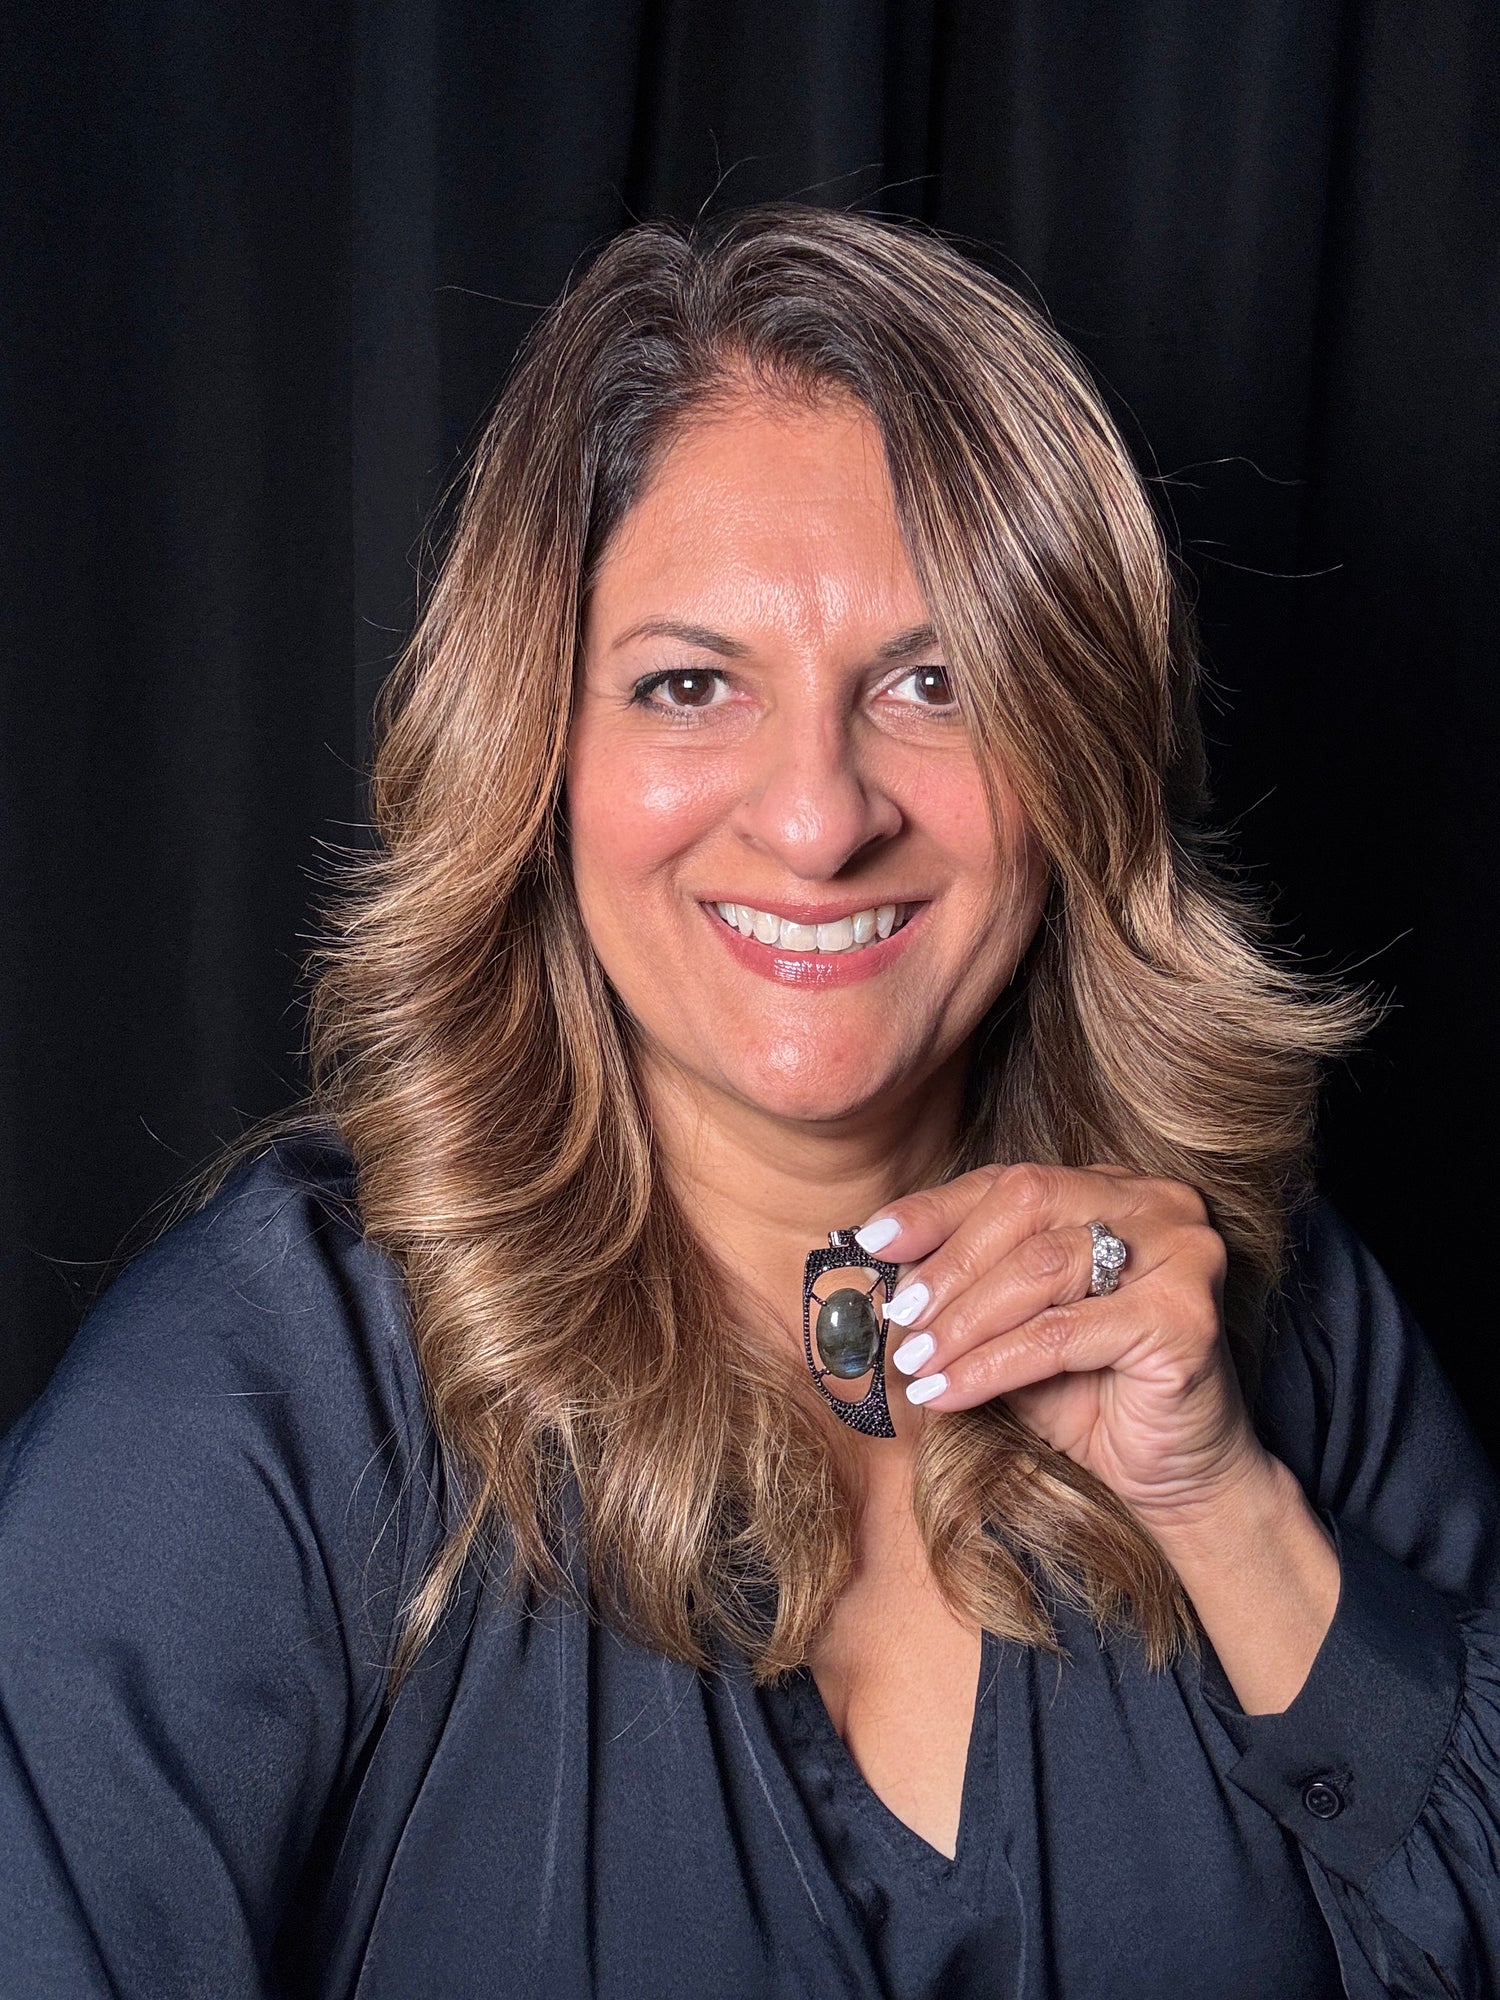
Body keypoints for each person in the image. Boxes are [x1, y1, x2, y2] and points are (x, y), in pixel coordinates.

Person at [2, 204, 1497, 2000]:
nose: (816, 814)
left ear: (1080, 747)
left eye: (932, 684)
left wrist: (1234, 1513)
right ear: (535, 756)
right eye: (691, 685)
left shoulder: (1278, 1319)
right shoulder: (263, 1405)